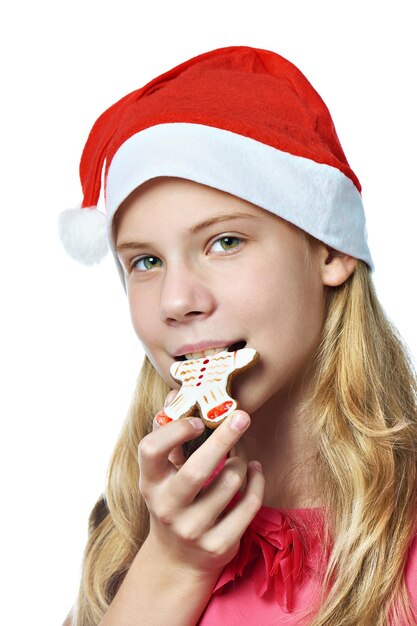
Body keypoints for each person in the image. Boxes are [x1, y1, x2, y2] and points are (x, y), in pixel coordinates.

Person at [59, 46, 417, 626]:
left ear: (330, 249)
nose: (177, 301)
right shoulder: (125, 531)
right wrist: (171, 569)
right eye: (145, 262)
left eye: (224, 242)